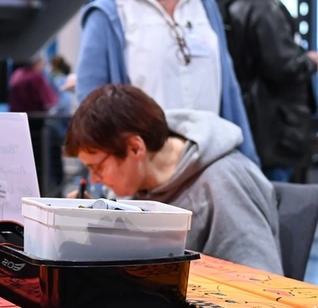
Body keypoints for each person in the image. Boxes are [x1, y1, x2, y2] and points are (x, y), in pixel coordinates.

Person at [76, 0, 258, 165]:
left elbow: (229, 93)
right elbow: (91, 109)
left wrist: (248, 163)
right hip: (143, 173)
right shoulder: (110, 14)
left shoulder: (204, 5)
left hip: (210, 164)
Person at [64, 84, 282, 273]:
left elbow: (260, 284)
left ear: (135, 147)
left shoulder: (225, 183)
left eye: (98, 167)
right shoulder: (136, 185)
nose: (95, 179)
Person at [217, 0, 318, 182]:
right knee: (280, 205)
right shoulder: (265, 7)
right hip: (274, 129)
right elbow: (283, 65)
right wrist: (311, 61)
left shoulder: (219, 3)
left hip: (235, 121)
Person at [9, 53, 61, 195]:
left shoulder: (16, 75)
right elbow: (50, 101)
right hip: (38, 129)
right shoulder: (35, 78)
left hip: (20, 129)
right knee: (44, 166)